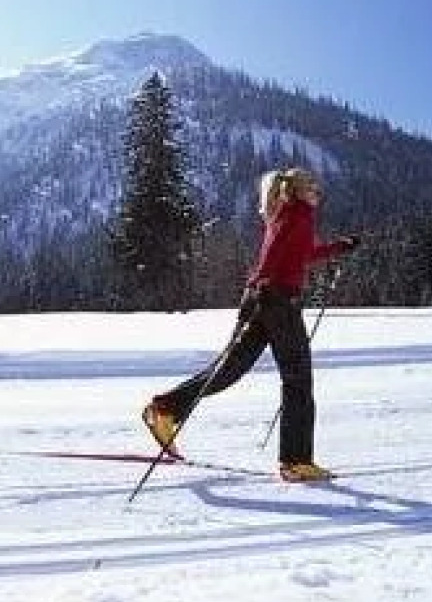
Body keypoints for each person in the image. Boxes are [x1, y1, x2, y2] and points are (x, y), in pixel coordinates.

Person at [141, 167, 358, 483]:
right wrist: (268, 288)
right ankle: (296, 461)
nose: (317, 191)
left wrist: (339, 247)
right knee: (298, 380)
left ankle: (165, 409)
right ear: (297, 189)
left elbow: (302, 254)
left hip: (260, 299)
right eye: (311, 185)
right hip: (278, 301)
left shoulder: (282, 213)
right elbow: (273, 258)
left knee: (229, 369)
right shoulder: (299, 212)